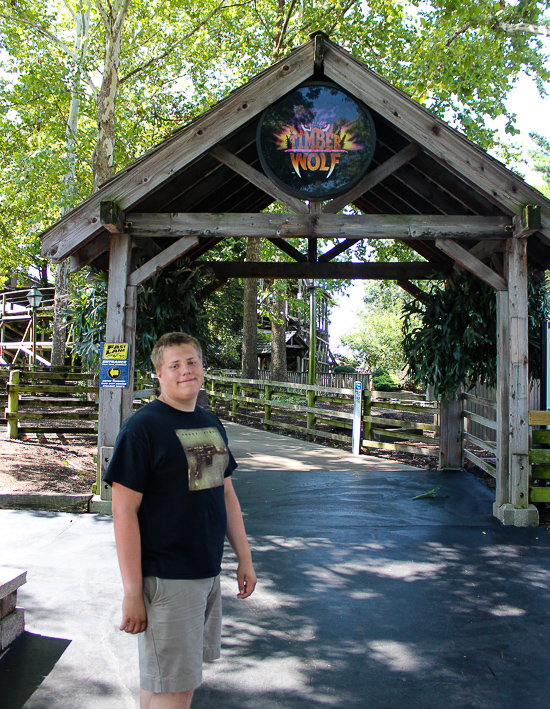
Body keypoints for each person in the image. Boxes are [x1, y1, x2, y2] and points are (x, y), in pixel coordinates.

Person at [104, 332, 257, 709]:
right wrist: (132, 591)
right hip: (167, 579)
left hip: (205, 572)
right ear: (158, 373)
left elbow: (224, 493)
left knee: (163, 683)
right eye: (175, 365)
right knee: (177, 688)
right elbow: (123, 512)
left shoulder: (209, 422)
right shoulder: (142, 428)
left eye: (192, 362)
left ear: (202, 368)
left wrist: (245, 558)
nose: (185, 371)